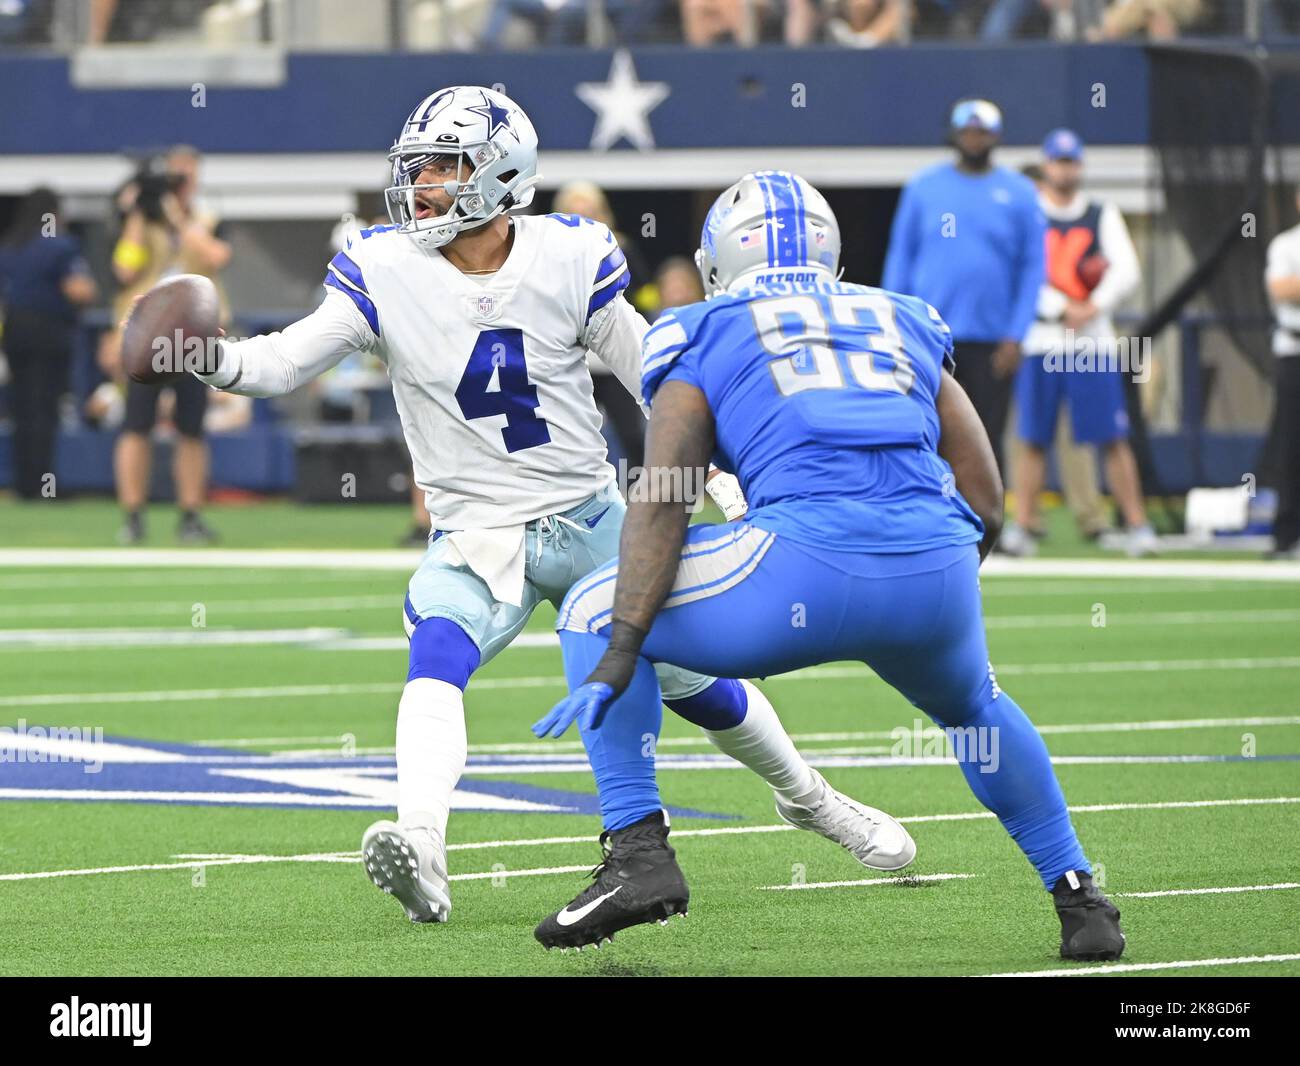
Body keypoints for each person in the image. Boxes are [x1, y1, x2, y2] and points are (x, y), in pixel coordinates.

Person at [185, 87, 911, 929]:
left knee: (694, 682)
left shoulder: (570, 255)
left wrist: (721, 475)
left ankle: (811, 799)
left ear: (501, 177)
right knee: (438, 651)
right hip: (478, 529)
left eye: (445, 166)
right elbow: (280, 364)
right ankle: (422, 842)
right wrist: (208, 357)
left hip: (591, 513)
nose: (421, 184)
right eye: (417, 166)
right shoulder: (382, 266)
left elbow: (654, 377)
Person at [532, 171, 1124, 962]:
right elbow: (984, 490)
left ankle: (639, 853)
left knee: (589, 608)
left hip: (796, 568)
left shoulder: (699, 327)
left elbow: (666, 494)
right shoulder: (898, 315)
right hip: (934, 567)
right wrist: (925, 586)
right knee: (976, 708)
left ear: (720, 262)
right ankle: (1079, 896)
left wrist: (625, 642)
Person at [1006, 129, 1156, 557]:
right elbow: (1022, 272)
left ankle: (1137, 524)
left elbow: (1126, 270)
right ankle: (1024, 526)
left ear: (1080, 166)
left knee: (1111, 436)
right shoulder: (1029, 215)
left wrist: (1093, 305)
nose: (1065, 169)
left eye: (1072, 162)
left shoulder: (1100, 212)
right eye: (1058, 161)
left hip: (1091, 344)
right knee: (1033, 437)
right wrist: (1059, 308)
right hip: (1042, 342)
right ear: (1046, 165)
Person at [883, 98, 1044, 486]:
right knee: (927, 430)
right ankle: (933, 523)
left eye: (983, 131)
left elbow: (1033, 268)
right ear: (954, 135)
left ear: (997, 136)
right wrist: (893, 325)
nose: (975, 139)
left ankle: (992, 531)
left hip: (992, 341)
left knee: (987, 436)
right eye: (968, 131)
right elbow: (901, 258)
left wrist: (1016, 334)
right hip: (929, 337)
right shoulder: (923, 187)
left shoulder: (1020, 193)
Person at [108, 145, 230, 544]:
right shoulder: (145, 219)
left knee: (191, 427)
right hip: (146, 330)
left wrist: (178, 218)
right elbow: (125, 267)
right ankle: (132, 515)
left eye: (185, 176)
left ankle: (191, 514)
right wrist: (140, 217)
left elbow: (216, 255)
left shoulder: (205, 218)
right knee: (136, 423)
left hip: (193, 329)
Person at [0, 188, 98, 498]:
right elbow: (78, 290)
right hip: (49, 332)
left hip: (15, 331)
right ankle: (45, 486)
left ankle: (24, 484)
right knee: (45, 409)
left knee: (22, 409)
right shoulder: (61, 245)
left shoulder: (11, 246)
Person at [553, 180, 650, 474]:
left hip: (611, 354)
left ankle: (644, 498)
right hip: (570, 357)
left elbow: (644, 296)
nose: (584, 221)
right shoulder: (549, 256)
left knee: (631, 433)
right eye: (575, 213)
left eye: (590, 213)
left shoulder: (620, 250)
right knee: (562, 433)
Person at [1265, 186, 1300, 560]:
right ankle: (1286, 534)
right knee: (1291, 444)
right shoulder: (1286, 245)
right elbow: (1281, 288)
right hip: (1294, 350)